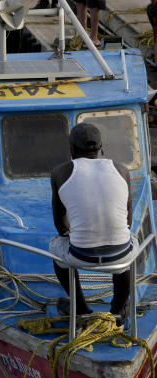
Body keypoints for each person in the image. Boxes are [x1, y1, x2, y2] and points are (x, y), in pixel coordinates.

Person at [50, 122, 134, 326]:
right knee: (127, 249)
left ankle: (81, 310)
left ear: (71, 150)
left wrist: (76, 234)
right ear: (101, 148)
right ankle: (118, 310)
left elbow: (60, 226)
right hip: (119, 256)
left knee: (55, 247)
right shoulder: (122, 170)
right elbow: (128, 221)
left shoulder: (60, 172)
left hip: (81, 256)